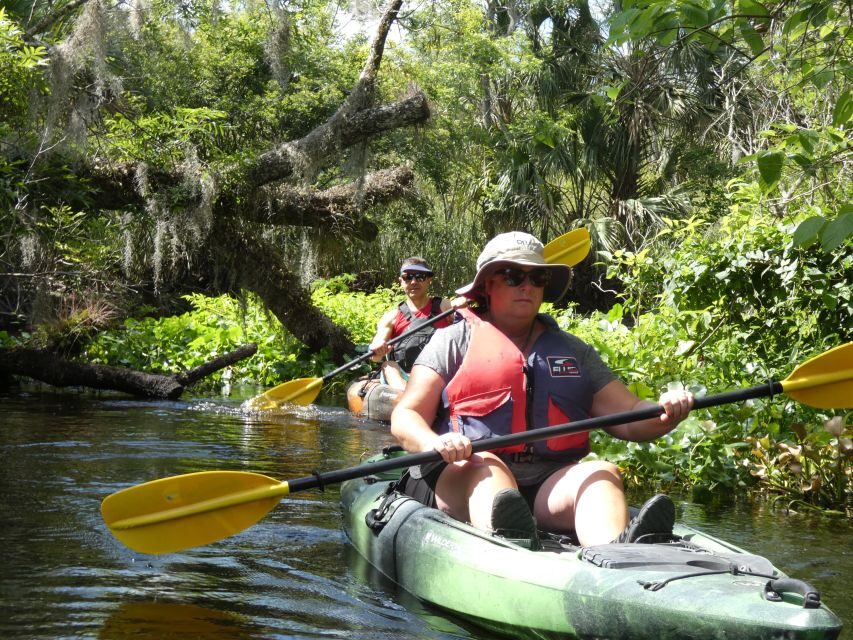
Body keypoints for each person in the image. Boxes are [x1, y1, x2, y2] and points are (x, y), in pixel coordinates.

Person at [390, 232, 694, 547]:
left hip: (545, 485)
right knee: (490, 469)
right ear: (487, 286)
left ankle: (614, 559)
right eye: (512, 275)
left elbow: (630, 415)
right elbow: (406, 415)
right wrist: (436, 441)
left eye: (537, 277)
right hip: (463, 473)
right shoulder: (453, 341)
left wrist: (664, 412)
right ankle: (511, 545)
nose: (527, 285)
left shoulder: (574, 352)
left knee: (601, 473)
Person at [367, 257, 455, 391]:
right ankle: (408, 398)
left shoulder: (445, 307)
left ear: (429, 280)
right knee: (388, 365)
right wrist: (377, 348)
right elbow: (375, 356)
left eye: (420, 277)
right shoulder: (392, 317)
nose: (413, 282)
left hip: (438, 376)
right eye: (408, 277)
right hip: (404, 379)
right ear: (401, 281)